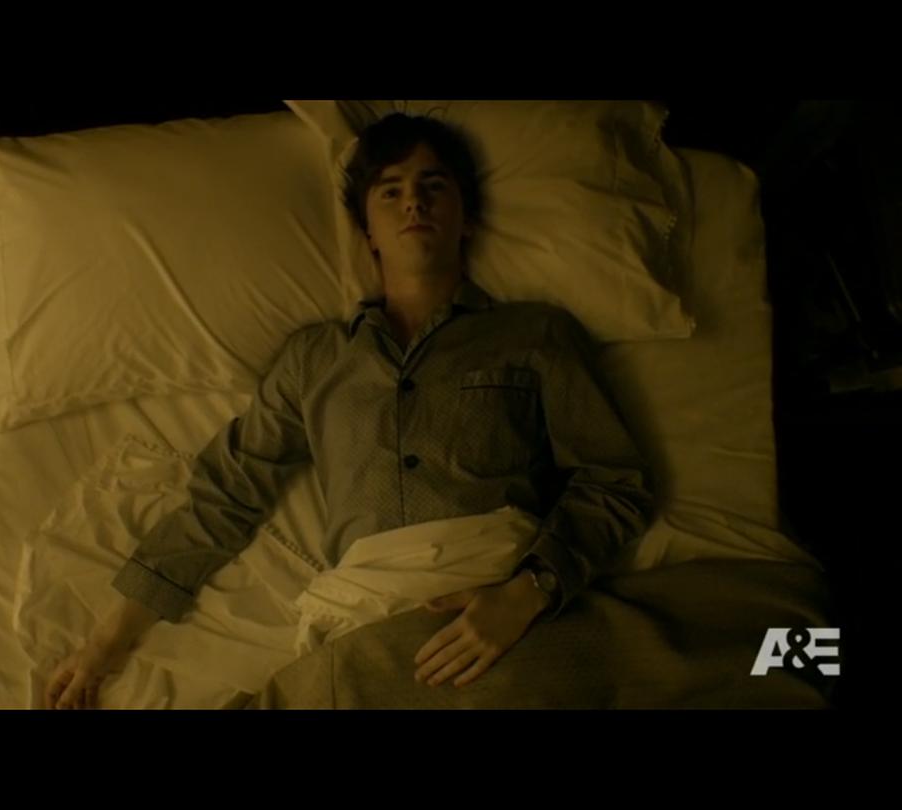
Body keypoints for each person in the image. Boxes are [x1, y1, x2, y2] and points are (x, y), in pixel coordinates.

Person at [45, 113, 654, 709]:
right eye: (391, 190)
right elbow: (226, 498)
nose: (413, 201)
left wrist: (528, 592)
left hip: (507, 612)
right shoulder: (314, 361)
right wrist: (104, 646)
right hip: (369, 626)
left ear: (467, 219)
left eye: (434, 185)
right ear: (368, 231)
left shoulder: (535, 336)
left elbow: (616, 483)